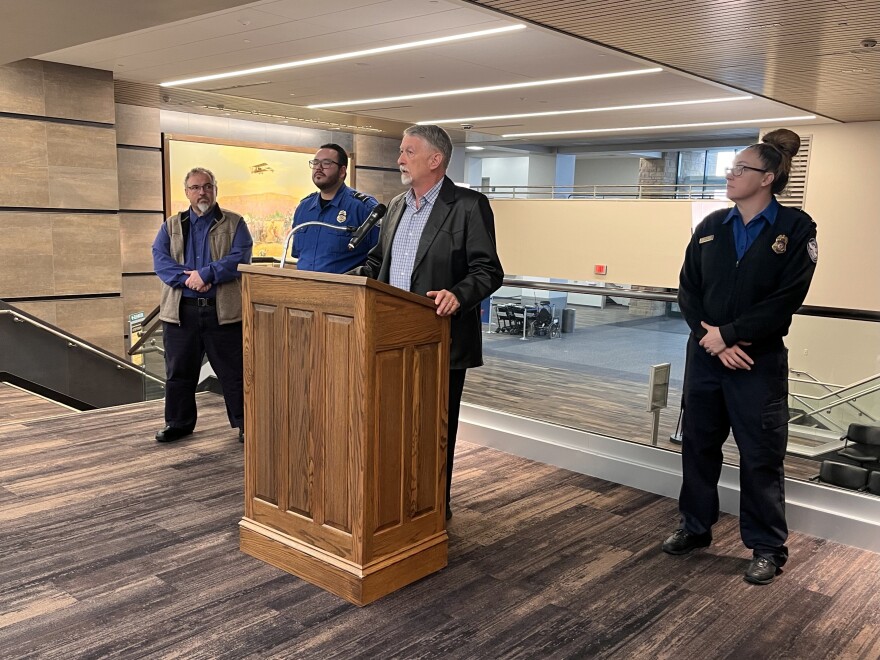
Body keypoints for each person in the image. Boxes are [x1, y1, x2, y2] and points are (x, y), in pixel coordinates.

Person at [662, 129, 819, 585]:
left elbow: (786, 298)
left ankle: (767, 547)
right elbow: (688, 289)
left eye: (739, 168)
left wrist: (730, 336)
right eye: (730, 168)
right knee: (698, 446)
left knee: (760, 455)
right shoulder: (712, 226)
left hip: (758, 363)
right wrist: (709, 338)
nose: (729, 175)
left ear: (767, 177)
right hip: (706, 359)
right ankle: (694, 527)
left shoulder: (795, 229)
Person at [349, 125, 504, 520]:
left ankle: (433, 507)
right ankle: (393, 501)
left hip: (439, 340)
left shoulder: (469, 205)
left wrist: (459, 294)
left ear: (435, 160)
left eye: (408, 151)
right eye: (401, 151)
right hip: (388, 338)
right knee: (392, 427)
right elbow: (378, 262)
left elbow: (488, 270)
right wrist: (350, 279)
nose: (399, 158)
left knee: (432, 433)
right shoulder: (397, 204)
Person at [152, 167, 253, 444]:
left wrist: (206, 274)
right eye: (195, 187)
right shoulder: (171, 226)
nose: (202, 192)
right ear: (186, 192)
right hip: (181, 313)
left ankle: (246, 424)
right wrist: (190, 281)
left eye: (207, 186)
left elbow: (240, 258)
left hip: (223, 312)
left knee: (234, 373)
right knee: (179, 372)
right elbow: (160, 261)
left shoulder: (235, 223)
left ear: (215, 189)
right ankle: (178, 423)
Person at [291, 143, 379, 273]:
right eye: (315, 163)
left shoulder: (363, 207)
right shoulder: (304, 208)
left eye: (326, 163)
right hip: (304, 289)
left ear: (342, 171)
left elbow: (380, 259)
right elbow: (299, 255)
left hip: (345, 291)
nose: (318, 168)